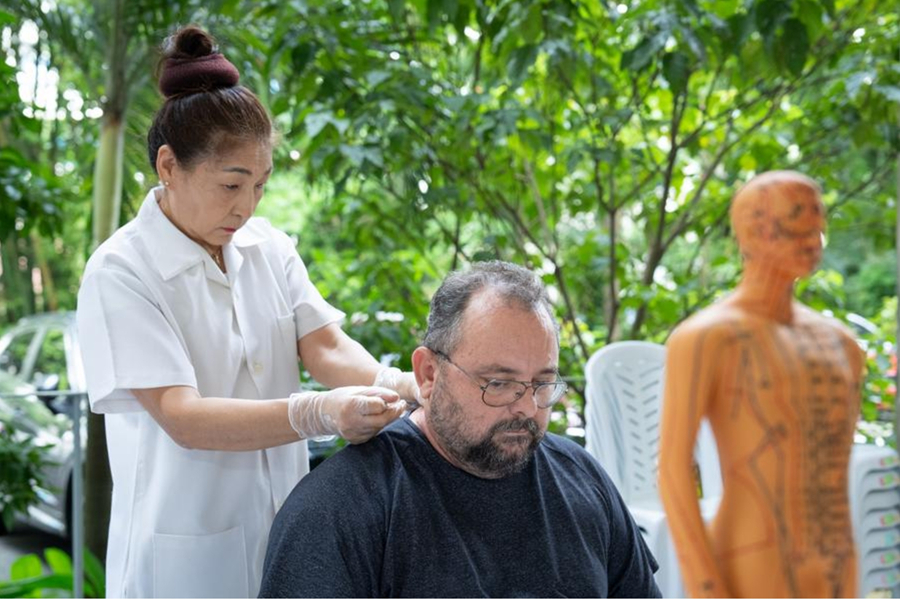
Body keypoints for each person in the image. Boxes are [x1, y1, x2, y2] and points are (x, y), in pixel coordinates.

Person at [76, 25, 419, 598]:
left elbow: (325, 346)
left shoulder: (270, 247)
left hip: (284, 532)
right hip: (182, 552)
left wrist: (401, 383)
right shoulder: (121, 271)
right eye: (231, 184)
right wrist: (316, 412)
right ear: (168, 166)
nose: (247, 205)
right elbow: (181, 415)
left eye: (259, 185)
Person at [258, 261, 661, 598]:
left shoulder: (580, 477)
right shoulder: (341, 509)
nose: (525, 407)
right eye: (498, 383)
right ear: (429, 374)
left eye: (541, 384)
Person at [658, 171, 863, 597]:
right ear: (751, 232)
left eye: (818, 217)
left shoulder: (842, 345)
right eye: (795, 219)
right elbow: (674, 470)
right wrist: (706, 584)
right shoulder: (706, 338)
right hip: (753, 557)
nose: (813, 234)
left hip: (836, 559)